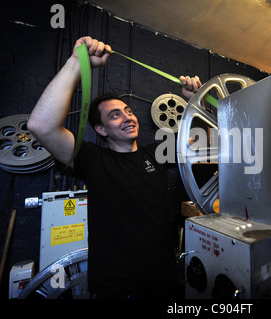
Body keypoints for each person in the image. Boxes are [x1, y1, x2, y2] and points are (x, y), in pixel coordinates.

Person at [27, 36, 202, 298]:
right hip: (118, 288)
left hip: (165, 280)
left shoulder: (156, 153)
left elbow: (196, 140)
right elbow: (41, 127)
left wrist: (194, 100)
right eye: (115, 115)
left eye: (128, 110)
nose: (127, 117)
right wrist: (77, 62)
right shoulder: (92, 159)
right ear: (100, 129)